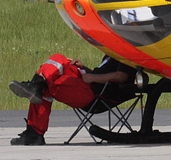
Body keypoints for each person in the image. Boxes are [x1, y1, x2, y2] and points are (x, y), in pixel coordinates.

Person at [8, 54, 136, 145]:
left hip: (93, 95)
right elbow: (100, 74)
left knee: (48, 83)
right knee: (59, 60)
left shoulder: (125, 54)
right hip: (86, 84)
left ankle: (34, 132)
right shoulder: (110, 55)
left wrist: (91, 78)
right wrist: (85, 68)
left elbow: (122, 77)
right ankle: (36, 86)